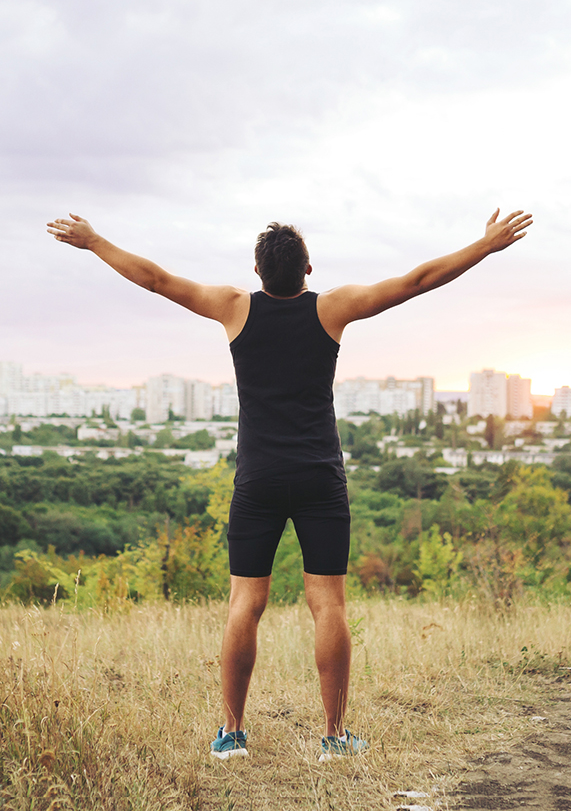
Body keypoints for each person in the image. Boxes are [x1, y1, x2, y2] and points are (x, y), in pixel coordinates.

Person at [47, 208, 532, 760]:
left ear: (257, 272)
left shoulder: (233, 308)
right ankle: (334, 738)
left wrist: (94, 242)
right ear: (308, 268)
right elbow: (417, 282)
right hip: (320, 477)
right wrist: (485, 245)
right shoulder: (331, 308)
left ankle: (231, 735)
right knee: (328, 604)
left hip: (258, 479)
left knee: (244, 604)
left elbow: (156, 280)